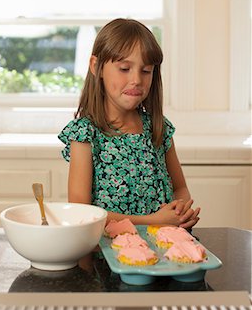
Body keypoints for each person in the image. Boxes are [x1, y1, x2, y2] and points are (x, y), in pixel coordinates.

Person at [58, 18, 200, 229]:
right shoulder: (85, 134)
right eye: (124, 68)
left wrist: (179, 212)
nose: (136, 80)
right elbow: (82, 211)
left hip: (161, 252)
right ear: (96, 67)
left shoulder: (158, 128)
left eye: (146, 71)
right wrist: (152, 222)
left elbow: (180, 189)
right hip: (107, 253)